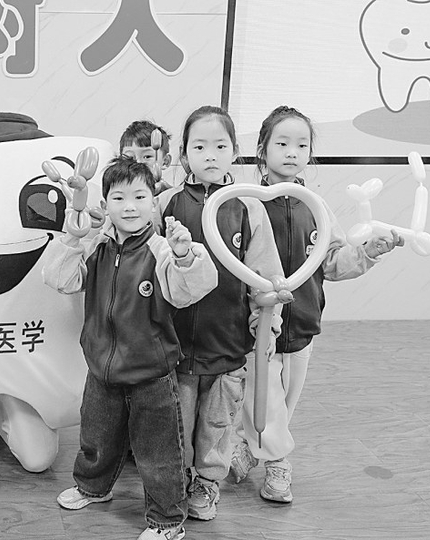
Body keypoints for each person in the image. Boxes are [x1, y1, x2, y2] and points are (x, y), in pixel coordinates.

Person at [228, 106, 403, 503]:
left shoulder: (317, 208)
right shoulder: (247, 205)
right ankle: (278, 463)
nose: (292, 152)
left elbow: (333, 262)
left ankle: (252, 449)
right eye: (282, 143)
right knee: (263, 397)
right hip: (258, 326)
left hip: (304, 324)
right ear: (262, 149)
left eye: (302, 145)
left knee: (285, 402)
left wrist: (368, 252)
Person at [43, 156, 219, 540]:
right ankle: (93, 487)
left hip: (151, 374)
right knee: (96, 438)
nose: (130, 206)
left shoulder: (161, 249)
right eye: (119, 198)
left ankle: (168, 521)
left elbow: (191, 290)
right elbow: (59, 278)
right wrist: (74, 237)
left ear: (154, 203)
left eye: (140, 197)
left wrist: (185, 254)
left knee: (159, 454)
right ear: (104, 205)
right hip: (101, 370)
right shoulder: (97, 246)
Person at [156, 105, 284, 521]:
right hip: (174, 343)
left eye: (220, 146)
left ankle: (208, 482)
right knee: (176, 421)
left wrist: (266, 327)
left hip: (227, 341)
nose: (210, 155)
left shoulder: (248, 206)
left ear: (234, 151)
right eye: (199, 146)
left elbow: (266, 278)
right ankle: (175, 479)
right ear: (183, 153)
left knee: (217, 423)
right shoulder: (166, 203)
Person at [119, 120, 173, 194]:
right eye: (130, 157)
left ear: (165, 162)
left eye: (147, 156)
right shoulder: (115, 192)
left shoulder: (172, 196)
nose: (138, 163)